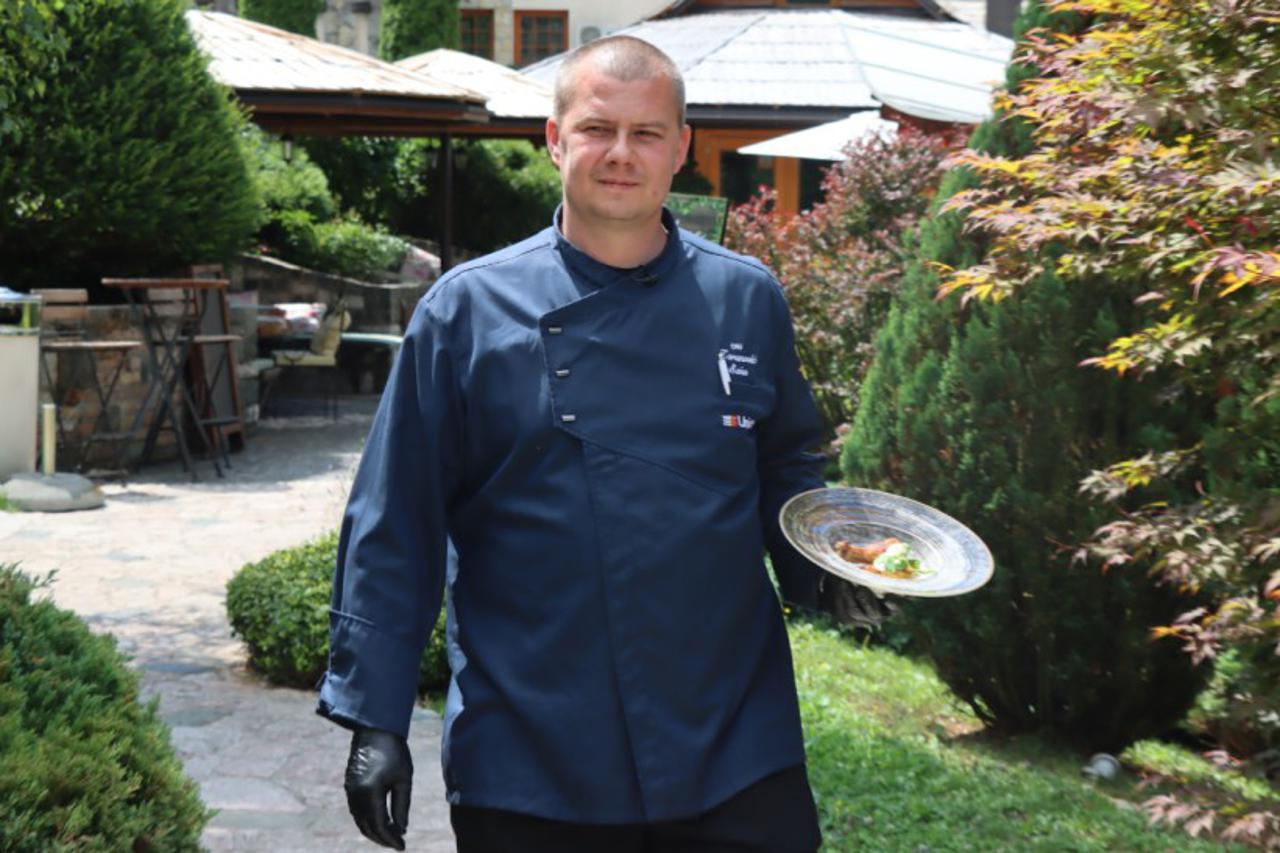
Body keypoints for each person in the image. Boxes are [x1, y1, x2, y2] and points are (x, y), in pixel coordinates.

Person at [318, 35, 859, 852]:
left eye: (646, 134)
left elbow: (786, 463)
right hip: (533, 739)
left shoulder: (746, 299)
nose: (620, 154)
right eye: (598, 129)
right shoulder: (464, 311)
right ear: (555, 138)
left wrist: (825, 566)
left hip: (733, 734)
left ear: (681, 148)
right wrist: (376, 715)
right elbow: (397, 516)